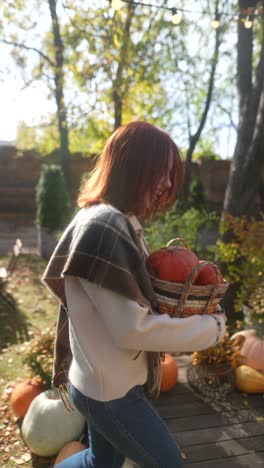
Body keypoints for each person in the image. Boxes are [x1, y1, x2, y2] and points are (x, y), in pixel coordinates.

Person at [42, 121, 226, 468]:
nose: (168, 183)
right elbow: (133, 329)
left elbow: (130, 304)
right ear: (133, 164)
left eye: (172, 174)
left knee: (101, 462)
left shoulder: (112, 220)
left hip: (98, 384)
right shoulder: (104, 226)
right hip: (109, 394)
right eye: (162, 171)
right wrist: (211, 328)